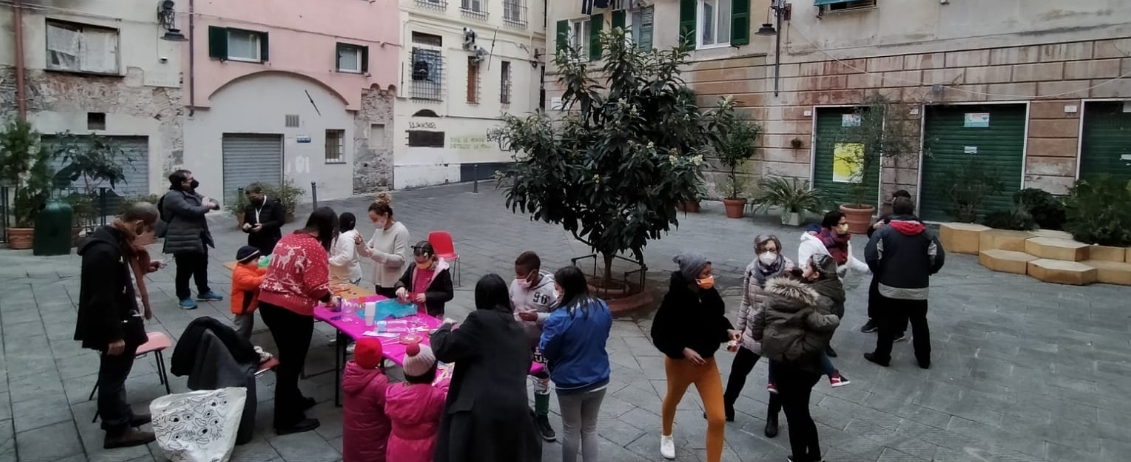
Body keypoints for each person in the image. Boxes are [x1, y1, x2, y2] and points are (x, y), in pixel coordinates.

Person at [75, 202, 162, 449]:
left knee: (116, 374)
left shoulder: (114, 240)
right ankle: (116, 430)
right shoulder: (103, 250)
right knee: (112, 376)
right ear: (139, 224)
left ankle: (122, 414)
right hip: (115, 324)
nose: (148, 234)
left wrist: (144, 269)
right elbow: (101, 297)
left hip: (123, 318)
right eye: (149, 229)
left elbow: (119, 278)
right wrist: (113, 335)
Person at [431, 274, 542, 462]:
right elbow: (525, 365)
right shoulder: (521, 331)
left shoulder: (479, 320)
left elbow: (443, 348)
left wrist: (444, 327)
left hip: (480, 415)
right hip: (516, 413)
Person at [650, 253, 741, 462]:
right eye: (706, 273)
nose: (711, 277)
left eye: (711, 272)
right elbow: (659, 334)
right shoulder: (673, 299)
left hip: (707, 365)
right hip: (679, 365)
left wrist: (728, 331)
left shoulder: (710, 294)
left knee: (718, 418)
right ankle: (666, 435)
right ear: (693, 276)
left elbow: (716, 320)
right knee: (672, 399)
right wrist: (683, 350)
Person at [258, 206, 339, 434]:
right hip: (291, 311)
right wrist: (329, 298)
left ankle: (295, 400)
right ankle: (285, 421)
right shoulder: (315, 247)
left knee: (288, 357)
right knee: (291, 364)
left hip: (268, 304)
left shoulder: (288, 239)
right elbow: (316, 288)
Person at [751, 273, 841, 462]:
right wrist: (834, 318)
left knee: (794, 416)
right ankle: (813, 456)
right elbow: (821, 324)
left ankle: (801, 457)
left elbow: (757, 325)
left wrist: (765, 340)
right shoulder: (807, 306)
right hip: (803, 366)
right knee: (801, 413)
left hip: (781, 364)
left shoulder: (769, 302)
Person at [539, 265, 611, 462]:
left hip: (570, 382)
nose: (556, 293)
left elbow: (547, 349)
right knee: (590, 428)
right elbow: (604, 334)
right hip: (599, 378)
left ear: (566, 289)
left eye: (557, 289)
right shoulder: (601, 306)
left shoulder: (559, 318)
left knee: (571, 429)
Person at [720, 235, 790, 437]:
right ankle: (726, 406)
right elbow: (746, 301)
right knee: (738, 370)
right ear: (757, 251)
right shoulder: (751, 269)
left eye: (773, 249)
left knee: (777, 379)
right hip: (753, 330)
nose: (769, 253)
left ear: (779, 250)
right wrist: (739, 329)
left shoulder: (788, 270)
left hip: (777, 333)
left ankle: (772, 417)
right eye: (764, 249)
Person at [864, 197, 946, 369]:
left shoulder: (884, 231)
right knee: (919, 323)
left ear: (894, 210)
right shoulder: (926, 233)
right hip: (918, 288)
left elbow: (871, 254)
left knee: (887, 322)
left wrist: (880, 272)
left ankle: (882, 356)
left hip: (889, 287)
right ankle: (924, 359)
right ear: (912, 210)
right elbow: (938, 257)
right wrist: (928, 271)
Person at [510, 251, 559, 442]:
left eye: (521, 275)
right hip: (517, 342)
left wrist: (537, 317)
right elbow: (508, 306)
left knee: (542, 380)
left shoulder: (550, 290)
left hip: (540, 343)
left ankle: (542, 417)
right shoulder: (515, 284)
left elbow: (559, 318)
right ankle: (519, 414)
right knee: (516, 378)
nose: (518, 278)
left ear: (534, 272)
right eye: (516, 274)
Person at [161, 170, 222, 310]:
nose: (194, 181)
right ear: (182, 183)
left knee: (201, 266)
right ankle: (183, 297)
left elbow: (211, 200)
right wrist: (206, 206)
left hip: (199, 236)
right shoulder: (172, 196)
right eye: (190, 179)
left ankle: (204, 291)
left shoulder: (191, 193)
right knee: (184, 270)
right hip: (182, 238)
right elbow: (190, 211)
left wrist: (211, 204)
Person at [862, 190, 916, 337]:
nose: (893, 201)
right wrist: (873, 228)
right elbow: (872, 238)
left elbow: (870, 253)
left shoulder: (916, 224)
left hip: (902, 268)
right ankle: (875, 320)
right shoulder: (886, 219)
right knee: (876, 294)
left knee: (901, 299)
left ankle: (898, 329)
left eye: (895, 199)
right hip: (885, 267)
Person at [384, 342, 448, 462]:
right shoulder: (435, 397)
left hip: (396, 451)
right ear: (432, 373)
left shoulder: (392, 393)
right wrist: (444, 383)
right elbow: (444, 399)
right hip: (424, 453)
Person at [801, 254, 851, 388]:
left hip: (806, 354)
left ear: (816, 274)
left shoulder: (820, 298)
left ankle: (833, 374)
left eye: (806, 267)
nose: (803, 268)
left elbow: (817, 323)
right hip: (817, 345)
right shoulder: (832, 287)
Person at [342, 338, 391, 462]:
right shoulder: (379, 383)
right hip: (374, 447)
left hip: (352, 445)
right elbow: (391, 408)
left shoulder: (350, 373)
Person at [357, 193, 410, 298]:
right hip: (379, 281)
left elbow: (400, 259)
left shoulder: (400, 231)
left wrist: (376, 254)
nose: (374, 223)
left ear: (385, 215)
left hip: (394, 284)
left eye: (375, 219)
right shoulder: (379, 230)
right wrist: (359, 244)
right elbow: (367, 251)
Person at [393, 241, 454, 318]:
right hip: (413, 309)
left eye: (423, 263)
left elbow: (449, 294)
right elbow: (402, 281)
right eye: (417, 262)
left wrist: (427, 296)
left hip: (432, 313)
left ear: (432, 257)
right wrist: (400, 287)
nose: (419, 265)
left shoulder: (441, 271)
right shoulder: (413, 267)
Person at [230, 245, 267, 341]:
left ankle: (244, 343)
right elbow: (252, 283)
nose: (258, 262)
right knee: (241, 329)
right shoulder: (240, 273)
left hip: (248, 306)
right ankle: (235, 344)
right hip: (243, 306)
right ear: (247, 261)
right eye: (256, 260)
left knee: (247, 327)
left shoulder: (248, 268)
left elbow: (258, 271)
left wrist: (270, 269)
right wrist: (267, 276)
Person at [242, 183, 285, 256]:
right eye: (249, 198)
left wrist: (263, 226)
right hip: (254, 242)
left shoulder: (274, 204)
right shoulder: (249, 207)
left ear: (261, 193)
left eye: (254, 197)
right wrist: (245, 227)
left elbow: (280, 221)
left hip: (271, 240)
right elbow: (246, 222)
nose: (252, 200)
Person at [330, 212, 364, 285]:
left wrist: (329, 260)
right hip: (341, 275)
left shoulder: (347, 237)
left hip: (348, 277)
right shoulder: (350, 232)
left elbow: (346, 256)